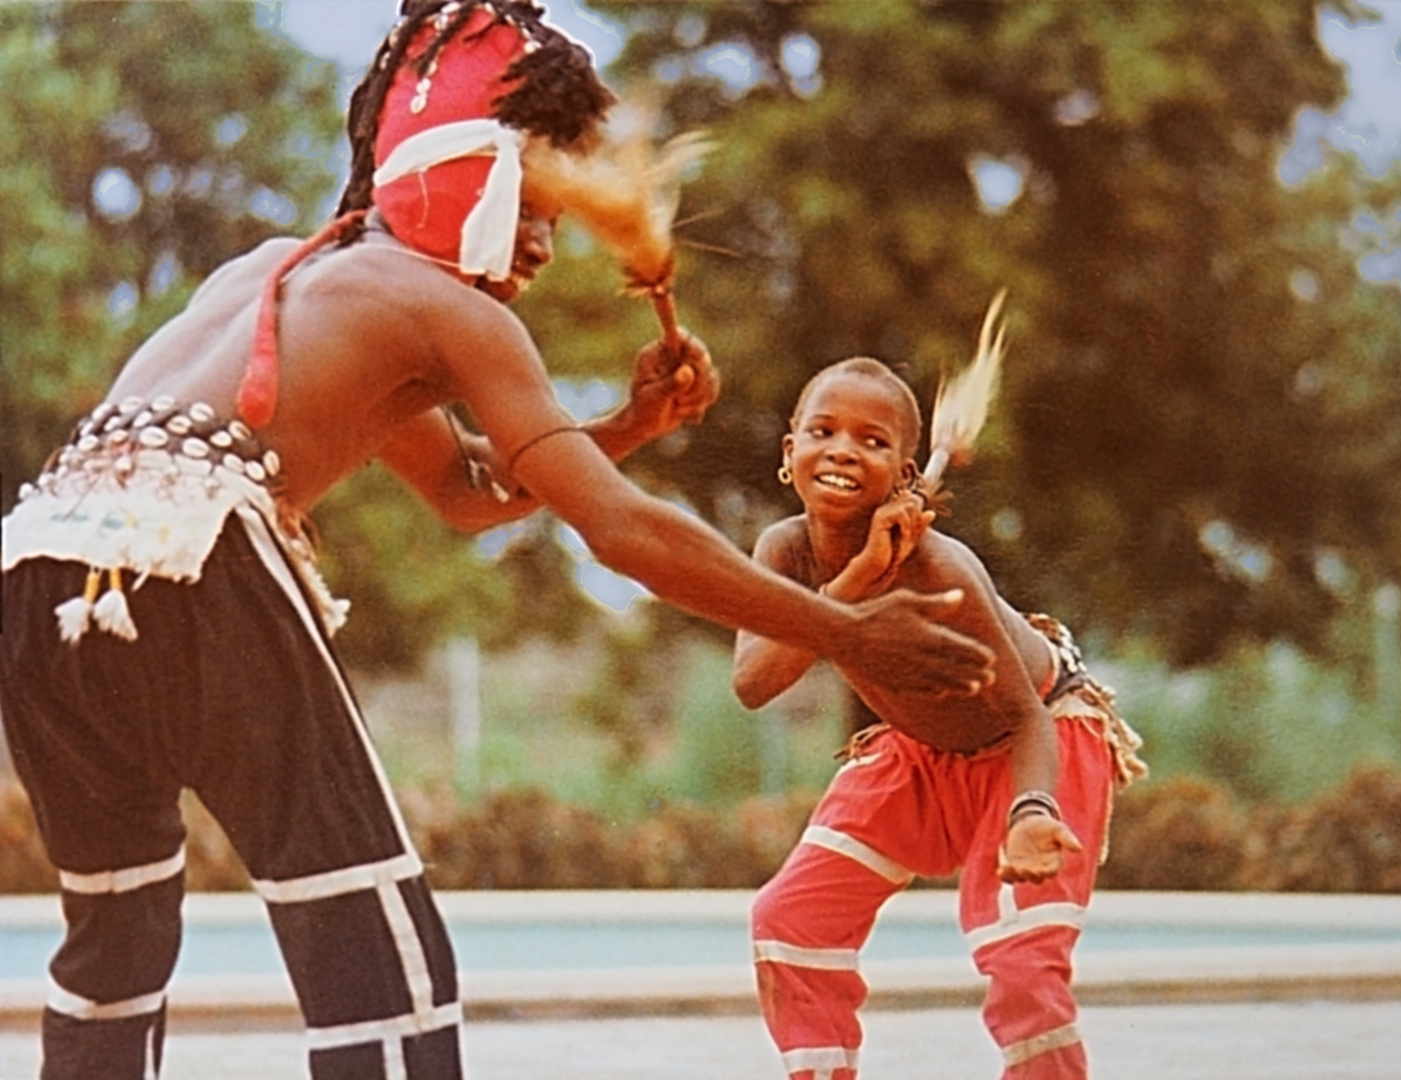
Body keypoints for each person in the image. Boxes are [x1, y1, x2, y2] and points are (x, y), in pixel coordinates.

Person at [0, 5, 995, 1078]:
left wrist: (623, 425)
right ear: (477, 179)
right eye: (534, 208)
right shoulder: (441, 305)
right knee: (377, 951)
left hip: (39, 571)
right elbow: (619, 530)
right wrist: (848, 629)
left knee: (116, 938)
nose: (542, 248)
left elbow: (468, 489)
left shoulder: (282, 270)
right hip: (198, 555)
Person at [734, 357, 1147, 1080]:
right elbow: (754, 682)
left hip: (1035, 745)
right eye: (823, 431)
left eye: (872, 441)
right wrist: (857, 576)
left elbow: (1026, 715)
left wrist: (1031, 810)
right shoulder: (784, 551)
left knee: (1021, 964)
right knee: (787, 920)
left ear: (901, 472)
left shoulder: (941, 567)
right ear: (788, 452)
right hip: (917, 753)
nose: (841, 450)